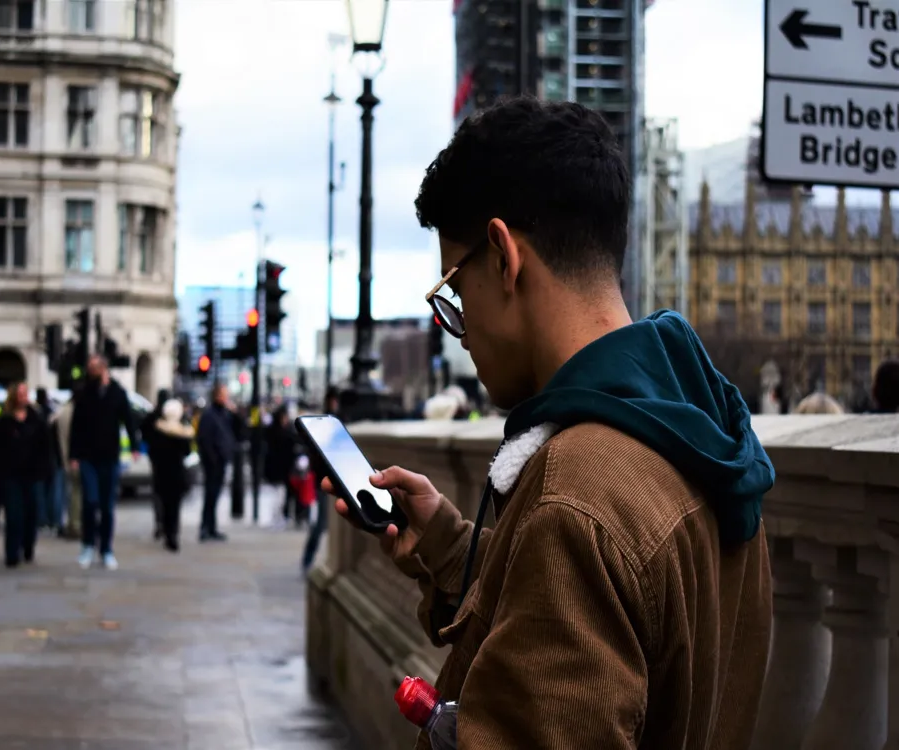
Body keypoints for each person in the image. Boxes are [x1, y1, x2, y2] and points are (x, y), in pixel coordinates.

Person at [326, 98, 775, 748]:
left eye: (453, 291)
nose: (461, 329)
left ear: (504, 257)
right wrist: (453, 548)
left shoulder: (577, 498)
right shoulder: (700, 429)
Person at [69, 355, 140, 570]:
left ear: (104, 369)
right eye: (89, 368)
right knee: (90, 502)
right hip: (88, 457)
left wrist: (135, 446)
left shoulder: (117, 393)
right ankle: (88, 545)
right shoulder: (83, 393)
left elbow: (128, 419)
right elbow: (76, 426)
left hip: (110, 456)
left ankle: (106, 549)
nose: (91, 371)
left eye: (95, 368)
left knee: (108, 507)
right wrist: (74, 455)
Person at [0, 382, 51, 568]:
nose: (24, 397)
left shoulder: (36, 419)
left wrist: (44, 470)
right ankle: (11, 553)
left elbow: (45, 447)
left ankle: (27, 546)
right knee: (14, 515)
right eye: (21, 393)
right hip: (11, 474)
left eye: (26, 393)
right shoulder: (5, 421)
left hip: (32, 474)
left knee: (31, 513)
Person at [301, 387, 339, 572]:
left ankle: (315, 559)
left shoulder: (335, 421)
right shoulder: (327, 423)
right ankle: (308, 558)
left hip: (332, 481)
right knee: (322, 523)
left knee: (327, 524)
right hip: (324, 482)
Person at [150, 398, 194, 552]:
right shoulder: (182, 432)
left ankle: (165, 530)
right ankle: (172, 534)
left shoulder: (157, 430)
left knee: (164, 504)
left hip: (161, 473)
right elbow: (187, 452)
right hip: (176, 474)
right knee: (174, 507)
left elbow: (152, 451)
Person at [195, 383, 235, 542]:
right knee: (210, 495)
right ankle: (205, 527)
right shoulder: (209, 415)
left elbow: (236, 431)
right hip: (213, 463)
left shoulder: (224, 414)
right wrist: (212, 458)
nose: (227, 397)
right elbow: (204, 439)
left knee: (215, 496)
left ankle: (211, 527)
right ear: (218, 396)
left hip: (221, 461)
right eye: (225, 394)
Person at [141, 388, 171, 540]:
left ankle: (160, 522)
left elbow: (144, 432)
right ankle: (166, 524)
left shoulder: (153, 416)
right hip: (168, 461)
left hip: (157, 458)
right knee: (168, 493)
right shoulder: (171, 416)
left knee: (159, 492)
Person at [35, 387, 64, 536]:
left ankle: (42, 519)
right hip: (54, 457)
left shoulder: (35, 414)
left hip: (40, 459)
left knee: (42, 491)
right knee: (54, 491)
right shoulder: (52, 414)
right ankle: (54, 520)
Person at [54, 387, 82, 539]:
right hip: (75, 459)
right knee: (76, 494)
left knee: (67, 493)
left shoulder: (63, 411)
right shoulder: (75, 412)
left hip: (64, 457)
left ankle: (66, 523)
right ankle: (75, 524)